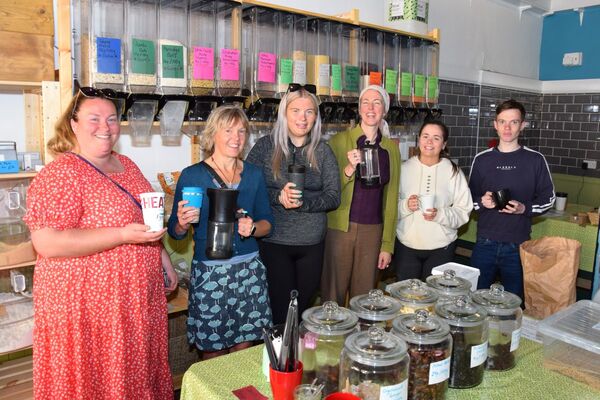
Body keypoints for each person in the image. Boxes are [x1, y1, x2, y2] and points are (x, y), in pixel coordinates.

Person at [23, 87, 177, 399]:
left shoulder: (128, 165)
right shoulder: (61, 174)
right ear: (73, 124)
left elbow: (144, 217)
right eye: (94, 118)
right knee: (96, 378)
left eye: (111, 119)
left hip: (134, 299)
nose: (104, 127)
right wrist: (120, 235)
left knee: (135, 372)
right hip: (89, 307)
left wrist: (164, 262)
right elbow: (47, 242)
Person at [168, 105, 274, 360]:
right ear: (213, 133)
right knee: (213, 350)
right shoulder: (193, 176)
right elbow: (175, 232)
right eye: (228, 130)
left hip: (249, 271)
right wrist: (182, 223)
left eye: (241, 131)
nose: (236, 138)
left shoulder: (254, 175)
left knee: (242, 351)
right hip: (211, 273)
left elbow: (268, 223)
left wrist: (253, 228)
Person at [246, 84, 341, 325]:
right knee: (280, 308)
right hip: (275, 241)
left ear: (315, 117)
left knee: (303, 307)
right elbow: (249, 191)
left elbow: (333, 196)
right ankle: (280, 359)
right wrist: (279, 197)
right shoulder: (265, 147)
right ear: (284, 114)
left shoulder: (323, 151)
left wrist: (303, 203)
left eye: (309, 111)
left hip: (311, 243)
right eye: (296, 110)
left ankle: (299, 358)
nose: (302, 117)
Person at [321, 84, 400, 305]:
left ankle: (361, 339)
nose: (371, 107)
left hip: (373, 231)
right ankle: (331, 336)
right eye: (366, 102)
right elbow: (327, 190)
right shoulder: (339, 141)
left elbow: (391, 197)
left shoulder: (390, 149)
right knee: (332, 294)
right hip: (340, 229)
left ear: (384, 110)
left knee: (364, 298)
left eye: (377, 102)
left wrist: (387, 244)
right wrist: (348, 169)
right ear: (359, 108)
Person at [469, 99, 555, 299]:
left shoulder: (535, 160)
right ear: (495, 125)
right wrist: (482, 202)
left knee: (514, 304)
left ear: (522, 125)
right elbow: (468, 199)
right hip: (485, 243)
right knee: (475, 300)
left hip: (518, 246)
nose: (507, 127)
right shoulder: (481, 159)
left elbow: (548, 198)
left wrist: (524, 208)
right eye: (502, 122)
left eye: (514, 122)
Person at [394, 120, 473, 281]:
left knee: (437, 301)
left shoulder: (453, 172)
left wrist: (440, 214)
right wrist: (406, 206)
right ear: (419, 140)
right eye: (425, 136)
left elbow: (464, 210)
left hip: (442, 248)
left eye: (436, 138)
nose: (429, 142)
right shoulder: (403, 169)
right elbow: (388, 207)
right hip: (406, 246)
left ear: (444, 144)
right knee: (407, 299)